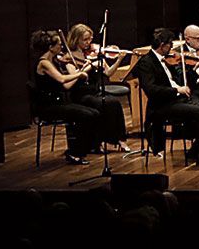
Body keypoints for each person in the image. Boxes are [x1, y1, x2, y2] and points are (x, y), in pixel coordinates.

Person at [138, 28, 199, 167]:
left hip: (178, 100)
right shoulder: (146, 62)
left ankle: (195, 149)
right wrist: (176, 90)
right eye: (170, 44)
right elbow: (151, 90)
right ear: (162, 45)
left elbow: (184, 81)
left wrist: (194, 69)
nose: (172, 47)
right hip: (163, 105)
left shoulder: (169, 60)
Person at [30, 30, 101, 164]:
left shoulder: (55, 61)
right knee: (86, 115)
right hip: (48, 106)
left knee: (94, 113)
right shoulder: (44, 63)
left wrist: (81, 68)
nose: (62, 47)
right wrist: (79, 74)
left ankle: (84, 148)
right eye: (59, 45)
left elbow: (66, 86)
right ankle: (75, 152)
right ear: (51, 47)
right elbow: (62, 79)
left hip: (59, 103)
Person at [64, 22, 131, 151]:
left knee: (115, 103)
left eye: (90, 39)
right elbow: (75, 75)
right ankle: (101, 141)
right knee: (105, 103)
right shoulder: (69, 57)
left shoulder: (94, 53)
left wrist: (119, 60)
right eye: (85, 39)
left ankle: (120, 140)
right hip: (81, 94)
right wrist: (90, 66)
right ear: (76, 39)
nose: (88, 42)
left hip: (95, 92)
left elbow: (108, 72)